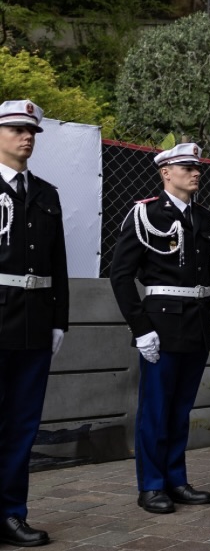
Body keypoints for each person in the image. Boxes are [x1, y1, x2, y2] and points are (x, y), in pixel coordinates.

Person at [110, 142, 210, 515]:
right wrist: (141, 328)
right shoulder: (146, 213)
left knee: (180, 409)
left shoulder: (203, 217)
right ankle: (152, 485)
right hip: (162, 323)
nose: (195, 172)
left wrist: (208, 325)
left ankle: (176, 479)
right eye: (187, 167)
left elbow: (208, 276)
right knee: (155, 410)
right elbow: (121, 276)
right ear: (166, 173)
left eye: (197, 167)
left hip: (196, 324)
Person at [0, 100, 69, 547]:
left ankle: (11, 513)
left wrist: (60, 319)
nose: (27, 137)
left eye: (32, 132)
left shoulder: (46, 194)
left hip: (35, 321)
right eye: (17, 130)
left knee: (23, 425)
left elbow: (58, 261)